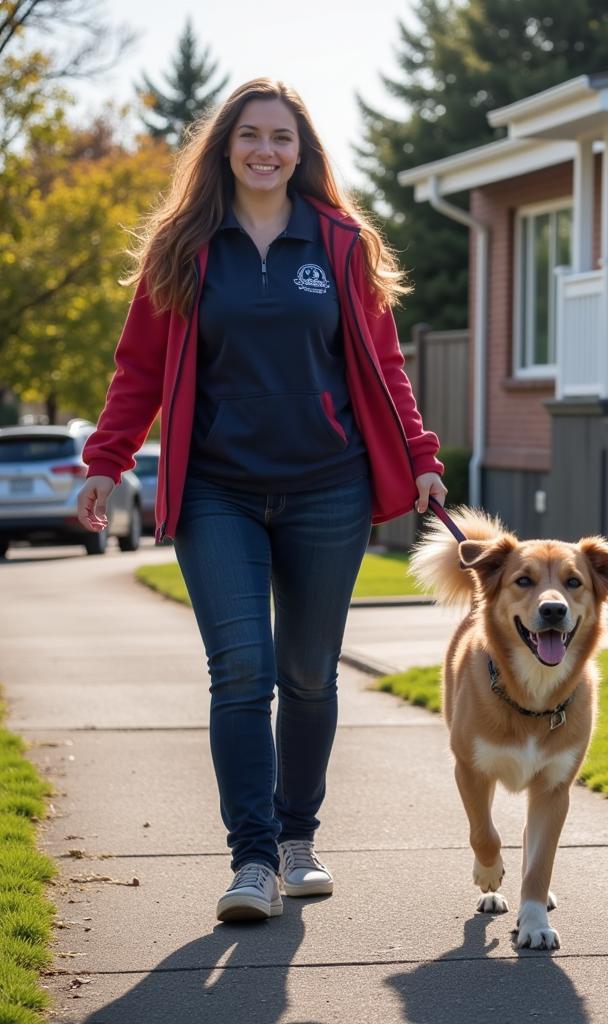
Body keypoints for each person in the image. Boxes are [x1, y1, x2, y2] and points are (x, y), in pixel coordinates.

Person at [76, 78, 446, 923]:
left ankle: (295, 841)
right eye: (250, 135)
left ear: (303, 150)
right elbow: (137, 370)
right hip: (217, 489)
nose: (266, 150)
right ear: (225, 147)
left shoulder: (342, 245)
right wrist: (107, 459)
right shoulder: (184, 247)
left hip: (329, 487)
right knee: (240, 674)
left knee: (309, 675)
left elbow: (384, 366)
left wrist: (420, 456)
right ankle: (250, 862)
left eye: (282, 136)